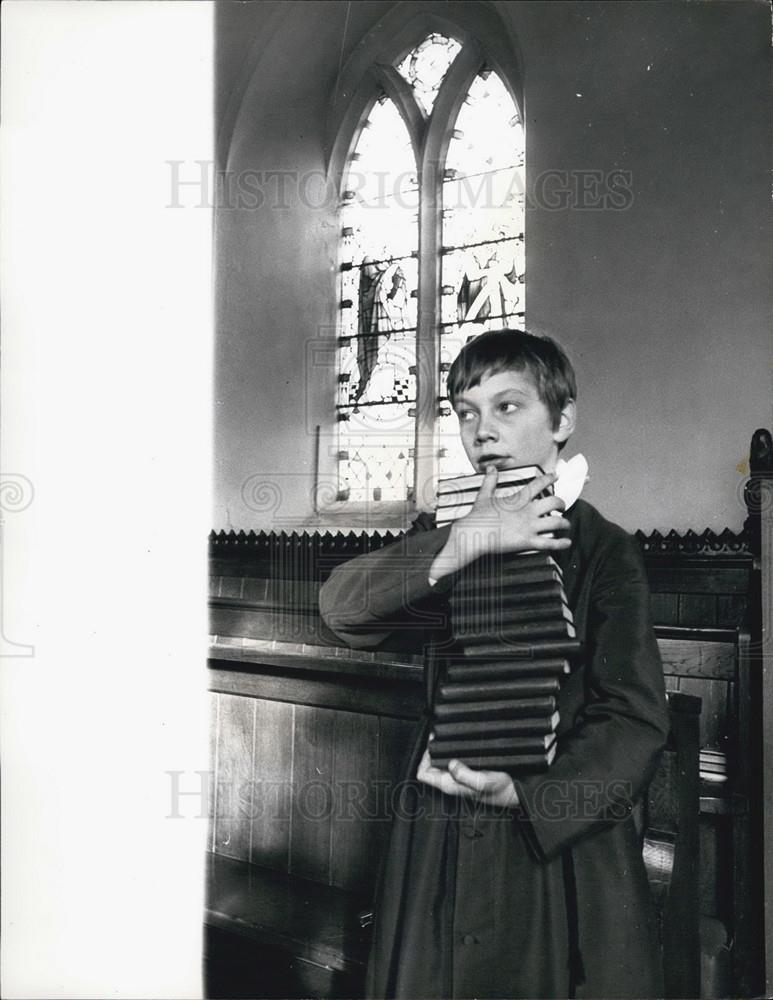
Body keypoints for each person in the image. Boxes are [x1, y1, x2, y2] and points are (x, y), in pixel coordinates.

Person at [319, 329, 669, 999]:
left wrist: (528, 796)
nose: (482, 431)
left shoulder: (603, 550)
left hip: (555, 843)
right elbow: (340, 612)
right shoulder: (448, 535)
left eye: (507, 407)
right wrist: (464, 543)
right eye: (466, 411)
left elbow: (632, 721)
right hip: (441, 831)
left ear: (561, 420)